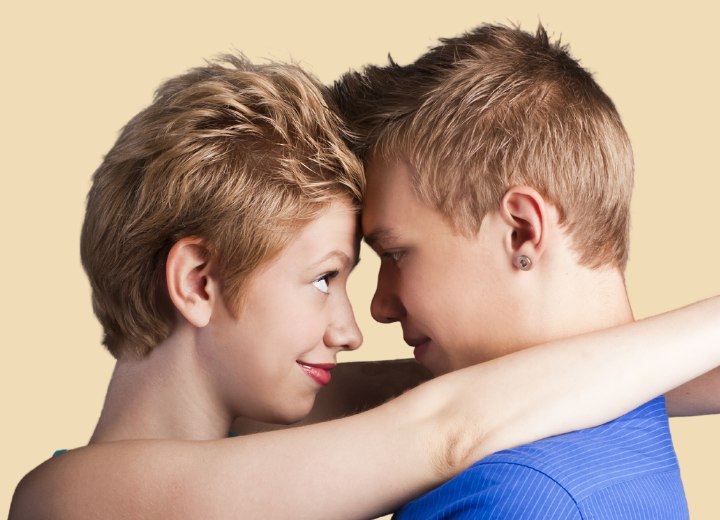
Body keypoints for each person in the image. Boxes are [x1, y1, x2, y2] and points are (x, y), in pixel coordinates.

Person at [9, 53, 720, 520]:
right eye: (323, 279)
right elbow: (446, 425)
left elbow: (442, 395)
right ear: (197, 280)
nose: (356, 327)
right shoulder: (69, 500)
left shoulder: (267, 436)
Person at [331, 23, 720, 518]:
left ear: (520, 231)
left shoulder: (519, 498)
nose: (378, 308)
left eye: (395, 253)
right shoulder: (621, 443)